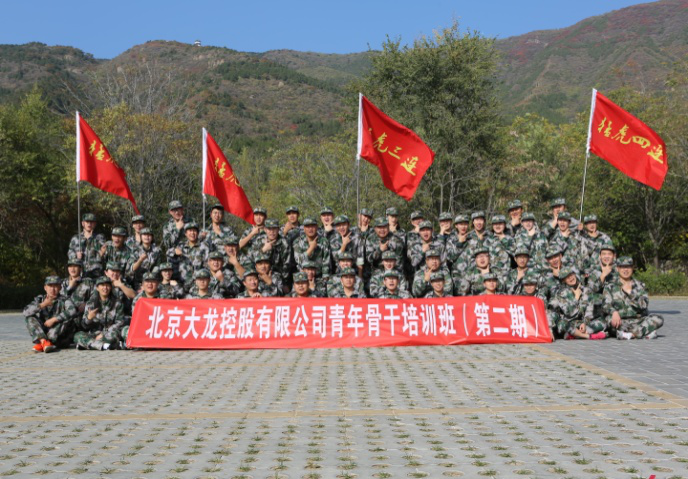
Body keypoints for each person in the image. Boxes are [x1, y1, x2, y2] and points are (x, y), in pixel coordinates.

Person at [603, 256, 664, 340]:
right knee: (608, 321)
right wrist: (614, 312)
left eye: (628, 267)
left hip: (639, 320)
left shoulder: (640, 285)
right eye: (622, 267)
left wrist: (630, 293)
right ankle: (645, 332)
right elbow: (606, 305)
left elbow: (644, 305)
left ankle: (631, 335)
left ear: (632, 268)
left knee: (658, 319)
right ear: (617, 268)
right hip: (621, 321)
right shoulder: (610, 286)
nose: (625, 270)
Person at [548, 268, 606, 340]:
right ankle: (587, 336)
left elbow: (589, 307)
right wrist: (576, 297)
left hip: (581, 322)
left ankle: (576, 334)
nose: (571, 278)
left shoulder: (584, 288)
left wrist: (584, 323)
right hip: (569, 322)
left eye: (571, 275)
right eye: (567, 277)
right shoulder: (561, 293)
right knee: (562, 325)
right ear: (563, 280)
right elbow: (569, 313)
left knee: (603, 322)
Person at [23, 276, 78, 352]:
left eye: (55, 286)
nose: (53, 289)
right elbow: (25, 312)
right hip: (45, 331)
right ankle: (44, 342)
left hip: (59, 336)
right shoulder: (40, 299)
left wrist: (54, 319)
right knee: (30, 317)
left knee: (66, 320)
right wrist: (42, 305)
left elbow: (72, 311)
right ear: (45, 287)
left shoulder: (65, 299)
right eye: (50, 286)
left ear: (60, 287)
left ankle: (42, 343)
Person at [74, 276, 126, 350]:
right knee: (77, 335)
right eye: (102, 285)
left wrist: (104, 334)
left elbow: (120, 323)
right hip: (95, 334)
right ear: (97, 288)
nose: (105, 288)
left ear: (111, 287)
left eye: (107, 285)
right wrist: (89, 318)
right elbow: (84, 326)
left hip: (110, 333)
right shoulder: (91, 303)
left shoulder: (117, 303)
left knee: (114, 336)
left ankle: (90, 345)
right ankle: (105, 346)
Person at [169, 222, 210, 291]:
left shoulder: (204, 247)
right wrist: (174, 251)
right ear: (185, 233)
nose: (192, 233)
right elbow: (168, 253)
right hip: (181, 283)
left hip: (197, 284)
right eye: (190, 231)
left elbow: (207, 266)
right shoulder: (181, 246)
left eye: (194, 231)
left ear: (198, 233)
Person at [251, 218, 292, 287]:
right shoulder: (258, 240)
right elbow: (251, 259)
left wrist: (283, 282)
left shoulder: (284, 243)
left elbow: (286, 265)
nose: (272, 232)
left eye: (274, 229)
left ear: (278, 229)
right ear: (265, 229)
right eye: (269, 229)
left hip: (277, 276)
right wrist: (263, 250)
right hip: (259, 275)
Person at [68, 212, 106, 278]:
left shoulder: (100, 238)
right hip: (80, 274)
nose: (89, 224)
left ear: (95, 224)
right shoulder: (76, 238)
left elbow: (106, 254)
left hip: (96, 274)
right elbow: (70, 253)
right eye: (87, 222)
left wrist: (102, 254)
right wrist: (76, 255)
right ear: (83, 223)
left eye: (91, 222)